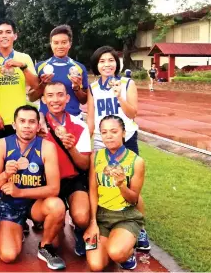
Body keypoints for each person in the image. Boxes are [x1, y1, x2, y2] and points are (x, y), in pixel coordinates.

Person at [0, 105, 65, 269]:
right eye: (22, 121)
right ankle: (17, 228)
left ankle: (45, 246)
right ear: (14, 124)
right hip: (9, 205)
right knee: (8, 256)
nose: (27, 126)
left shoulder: (47, 147)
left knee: (57, 206)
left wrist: (20, 191)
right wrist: (5, 174)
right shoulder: (1, 144)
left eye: (31, 122)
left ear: (38, 126)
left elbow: (54, 189)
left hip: (35, 203)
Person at [87, 46, 149, 250]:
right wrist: (87, 139)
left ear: (117, 63)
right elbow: (91, 116)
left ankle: (140, 229)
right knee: (102, 181)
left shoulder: (127, 83)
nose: (107, 64)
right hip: (100, 139)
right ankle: (102, 221)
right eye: (102, 61)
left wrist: (119, 96)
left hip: (126, 137)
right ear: (97, 65)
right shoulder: (93, 87)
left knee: (131, 185)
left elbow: (132, 113)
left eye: (111, 60)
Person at [0, 19, 38, 232]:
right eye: (0, 32)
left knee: (20, 168)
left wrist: (23, 67)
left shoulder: (24, 57)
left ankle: (20, 212)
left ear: (15, 36)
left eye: (8, 32)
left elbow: (35, 86)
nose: (4, 35)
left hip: (20, 124)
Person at [84, 115, 146, 271]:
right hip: (102, 216)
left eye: (114, 131)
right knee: (95, 265)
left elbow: (133, 199)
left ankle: (129, 250)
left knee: (116, 253)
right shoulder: (95, 156)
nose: (109, 136)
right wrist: (92, 223)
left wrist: (121, 186)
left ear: (123, 133)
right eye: (104, 132)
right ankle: (115, 242)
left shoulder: (136, 161)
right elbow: (93, 189)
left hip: (125, 215)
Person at [42, 82, 92, 257]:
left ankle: (79, 230)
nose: (55, 100)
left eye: (60, 94)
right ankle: (57, 222)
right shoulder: (37, 125)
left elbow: (85, 165)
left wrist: (71, 148)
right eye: (50, 95)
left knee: (82, 216)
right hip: (48, 183)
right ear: (43, 99)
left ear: (67, 98)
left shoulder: (80, 126)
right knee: (55, 242)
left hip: (72, 180)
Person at [29, 25, 88, 119]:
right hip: (47, 122)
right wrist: (43, 85)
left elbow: (84, 100)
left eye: (64, 42)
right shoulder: (40, 67)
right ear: (51, 44)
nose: (60, 46)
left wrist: (77, 88)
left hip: (73, 120)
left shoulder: (79, 68)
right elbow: (31, 98)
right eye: (56, 43)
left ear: (70, 44)